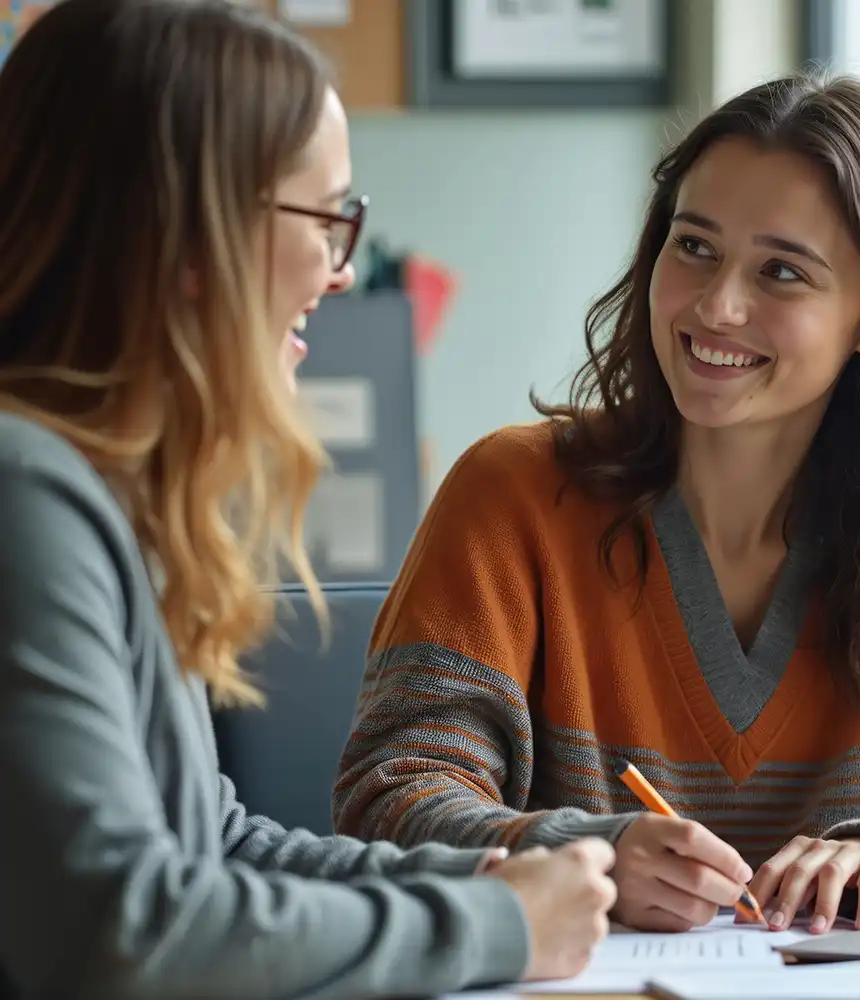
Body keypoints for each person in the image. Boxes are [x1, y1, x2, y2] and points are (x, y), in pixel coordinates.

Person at [0, 1, 618, 997]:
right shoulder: (25, 499)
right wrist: (494, 923)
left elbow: (213, 845)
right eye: (328, 220)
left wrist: (490, 878)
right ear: (192, 235)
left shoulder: (103, 501)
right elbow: (119, 928)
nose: (339, 275)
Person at [334, 72, 860, 939]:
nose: (718, 306)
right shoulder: (511, 495)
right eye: (694, 248)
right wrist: (589, 851)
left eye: (783, 272)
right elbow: (388, 793)